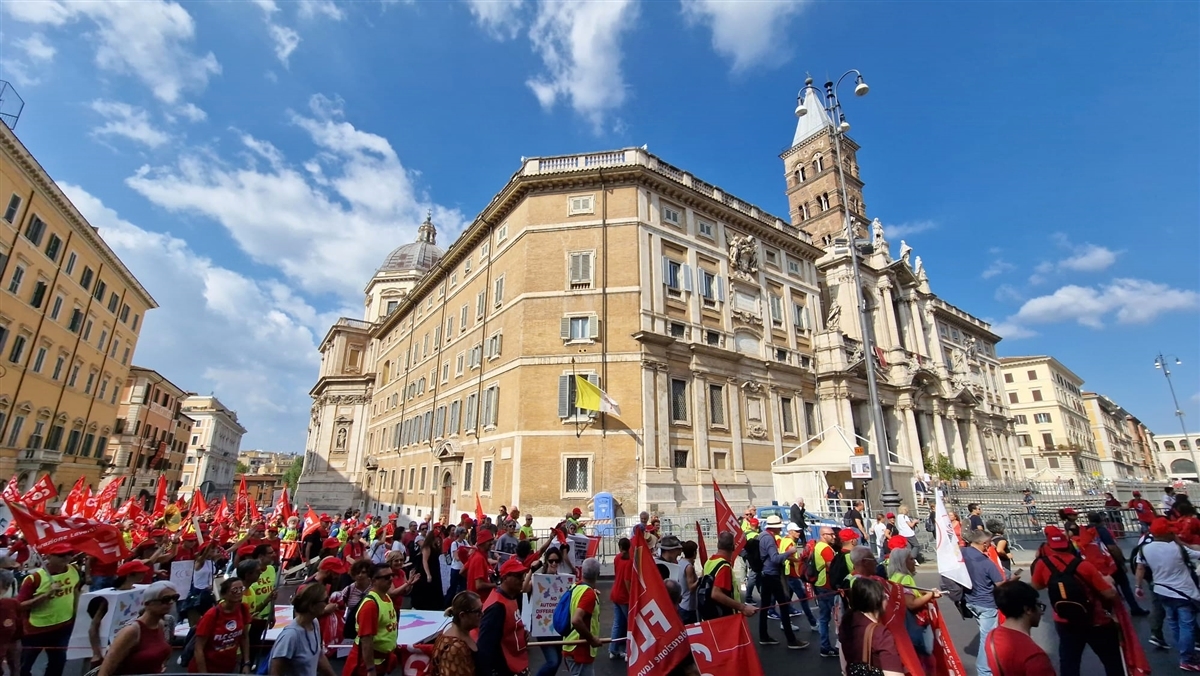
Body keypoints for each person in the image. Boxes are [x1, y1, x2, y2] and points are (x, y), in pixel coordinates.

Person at [1031, 525, 1121, 676]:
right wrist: (1108, 581)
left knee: (1069, 661)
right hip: (1095, 620)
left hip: (1064, 619)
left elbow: (1036, 585)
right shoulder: (1084, 566)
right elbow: (1109, 594)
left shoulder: (1043, 564)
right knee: (1111, 660)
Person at [1136, 517, 1200, 670]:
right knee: (1187, 625)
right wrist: (1182, 543)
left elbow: (1140, 568)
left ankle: (1185, 654)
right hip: (1182, 592)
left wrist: (1138, 586)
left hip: (1161, 590)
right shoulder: (1176, 548)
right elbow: (1196, 554)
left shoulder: (1144, 549)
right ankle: (1187, 658)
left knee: (1174, 623)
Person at [18, 543, 80, 676]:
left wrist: (75, 612)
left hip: (63, 626)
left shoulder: (74, 569)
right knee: (25, 666)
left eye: (69, 554)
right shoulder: (34, 578)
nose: (66, 558)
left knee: (57, 663)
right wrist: (46, 595)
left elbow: (75, 590)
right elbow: (20, 605)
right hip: (35, 630)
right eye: (61, 555)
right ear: (49, 557)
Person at [97, 581, 177, 676]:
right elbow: (108, 666)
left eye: (175, 597)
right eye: (166, 599)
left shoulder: (161, 624)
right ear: (148, 603)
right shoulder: (132, 631)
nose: (171, 602)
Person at [962, 530, 1008, 676]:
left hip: (970, 600)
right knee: (987, 639)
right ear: (984, 543)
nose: (989, 546)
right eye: (988, 544)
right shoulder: (986, 562)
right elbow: (1000, 583)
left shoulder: (962, 553)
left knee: (984, 633)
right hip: (987, 604)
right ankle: (984, 670)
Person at [87, 560, 149, 669]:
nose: (144, 574)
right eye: (140, 572)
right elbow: (94, 625)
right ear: (130, 575)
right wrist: (96, 653)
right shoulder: (108, 598)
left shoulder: (139, 591)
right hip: (110, 645)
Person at [836, 577, 904, 676]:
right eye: (885, 596)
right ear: (877, 600)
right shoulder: (881, 634)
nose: (887, 598)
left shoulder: (848, 620)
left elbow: (844, 663)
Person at [985, 581, 1055, 676]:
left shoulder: (992, 636)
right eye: (1038, 605)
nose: (1041, 612)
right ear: (1028, 610)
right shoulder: (1035, 657)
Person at [757, 515, 806, 649]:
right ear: (775, 528)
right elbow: (775, 559)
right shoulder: (769, 538)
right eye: (779, 527)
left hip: (765, 573)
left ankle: (764, 636)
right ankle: (791, 640)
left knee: (765, 606)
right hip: (771, 575)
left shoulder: (762, 535)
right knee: (783, 605)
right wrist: (789, 552)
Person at [475, 558, 530, 676]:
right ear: (504, 578)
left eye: (523, 575)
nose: (523, 578)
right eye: (518, 575)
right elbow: (484, 647)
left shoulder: (511, 597)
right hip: (504, 668)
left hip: (514, 665)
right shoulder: (497, 608)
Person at [269, 582, 337, 676]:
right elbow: (275, 670)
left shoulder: (314, 623)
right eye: (325, 600)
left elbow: (319, 656)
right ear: (312, 607)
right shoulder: (291, 636)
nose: (328, 603)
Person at [343, 563, 399, 676]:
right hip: (366, 665)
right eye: (386, 577)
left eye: (392, 575)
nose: (391, 579)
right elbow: (366, 639)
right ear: (373, 581)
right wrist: (370, 669)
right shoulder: (370, 605)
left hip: (381, 661)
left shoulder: (386, 597)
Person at [191, 576, 253, 673]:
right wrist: (203, 674)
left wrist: (246, 663)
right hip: (208, 668)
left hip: (228, 668)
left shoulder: (243, 609)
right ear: (224, 594)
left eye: (241, 589)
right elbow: (198, 648)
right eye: (234, 590)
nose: (239, 592)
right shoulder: (212, 615)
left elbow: (244, 637)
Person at [701, 532, 756, 619]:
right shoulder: (724, 567)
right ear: (733, 547)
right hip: (723, 616)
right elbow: (716, 593)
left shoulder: (709, 561)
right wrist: (743, 607)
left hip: (711, 613)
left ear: (718, 545)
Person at [564, 558, 603, 676]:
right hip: (579, 649)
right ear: (598, 574)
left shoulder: (576, 586)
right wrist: (592, 639)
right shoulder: (588, 594)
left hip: (571, 645)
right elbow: (576, 620)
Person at [432, 591, 481, 676]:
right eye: (478, 611)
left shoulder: (458, 630)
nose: (482, 614)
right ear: (462, 615)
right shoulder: (454, 648)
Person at [534, 550, 567, 676]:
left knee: (557, 661)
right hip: (543, 628)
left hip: (558, 627)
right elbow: (525, 589)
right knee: (552, 661)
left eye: (557, 561)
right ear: (546, 561)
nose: (554, 563)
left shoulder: (563, 579)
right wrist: (531, 571)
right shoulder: (538, 579)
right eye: (551, 561)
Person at [811, 526, 838, 658]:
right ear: (823, 535)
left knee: (824, 617)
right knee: (838, 617)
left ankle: (825, 646)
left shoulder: (818, 546)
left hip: (820, 583)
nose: (834, 536)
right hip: (827, 585)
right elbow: (832, 566)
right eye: (831, 534)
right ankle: (838, 646)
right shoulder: (825, 548)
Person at [608, 537, 631, 661]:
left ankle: (613, 649)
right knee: (629, 624)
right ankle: (628, 651)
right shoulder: (629, 561)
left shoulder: (617, 558)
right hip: (624, 596)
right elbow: (627, 581)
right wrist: (632, 595)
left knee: (617, 623)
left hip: (615, 592)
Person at [0, 558, 19, 676]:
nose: (10, 571)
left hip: (8, 638)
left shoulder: (12, 581)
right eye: (7, 569)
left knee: (15, 665)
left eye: (12, 569)